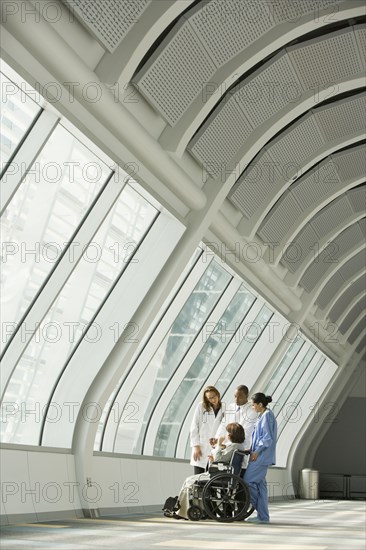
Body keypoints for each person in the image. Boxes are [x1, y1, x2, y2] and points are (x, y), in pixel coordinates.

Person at [175, 423, 245, 520]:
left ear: (231, 435)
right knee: (192, 481)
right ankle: (188, 508)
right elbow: (222, 459)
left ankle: (181, 510)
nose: (227, 434)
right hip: (225, 474)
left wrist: (219, 445)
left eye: (228, 432)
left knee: (189, 480)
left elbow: (219, 458)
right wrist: (215, 456)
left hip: (219, 475)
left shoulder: (233, 447)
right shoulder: (239, 446)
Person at [244, 393, 277, 524]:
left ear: (260, 404)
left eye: (253, 405)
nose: (252, 407)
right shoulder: (262, 416)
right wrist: (251, 449)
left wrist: (256, 451)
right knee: (260, 485)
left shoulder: (267, 416)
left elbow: (267, 438)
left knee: (248, 482)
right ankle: (263, 516)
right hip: (260, 455)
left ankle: (261, 513)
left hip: (261, 457)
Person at [212, 385, 258, 476]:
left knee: (237, 474)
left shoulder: (252, 411)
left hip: (239, 447)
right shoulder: (230, 407)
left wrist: (225, 444)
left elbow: (244, 433)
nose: (236, 400)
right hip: (227, 447)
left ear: (247, 396)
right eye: (235, 396)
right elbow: (223, 426)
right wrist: (217, 439)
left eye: (240, 397)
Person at [190, 386, 224, 474]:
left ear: (218, 394)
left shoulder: (223, 407)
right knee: (198, 477)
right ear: (206, 398)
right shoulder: (201, 406)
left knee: (211, 477)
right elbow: (194, 426)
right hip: (202, 446)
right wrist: (196, 446)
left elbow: (224, 427)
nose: (213, 399)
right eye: (210, 398)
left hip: (215, 446)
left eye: (214, 396)